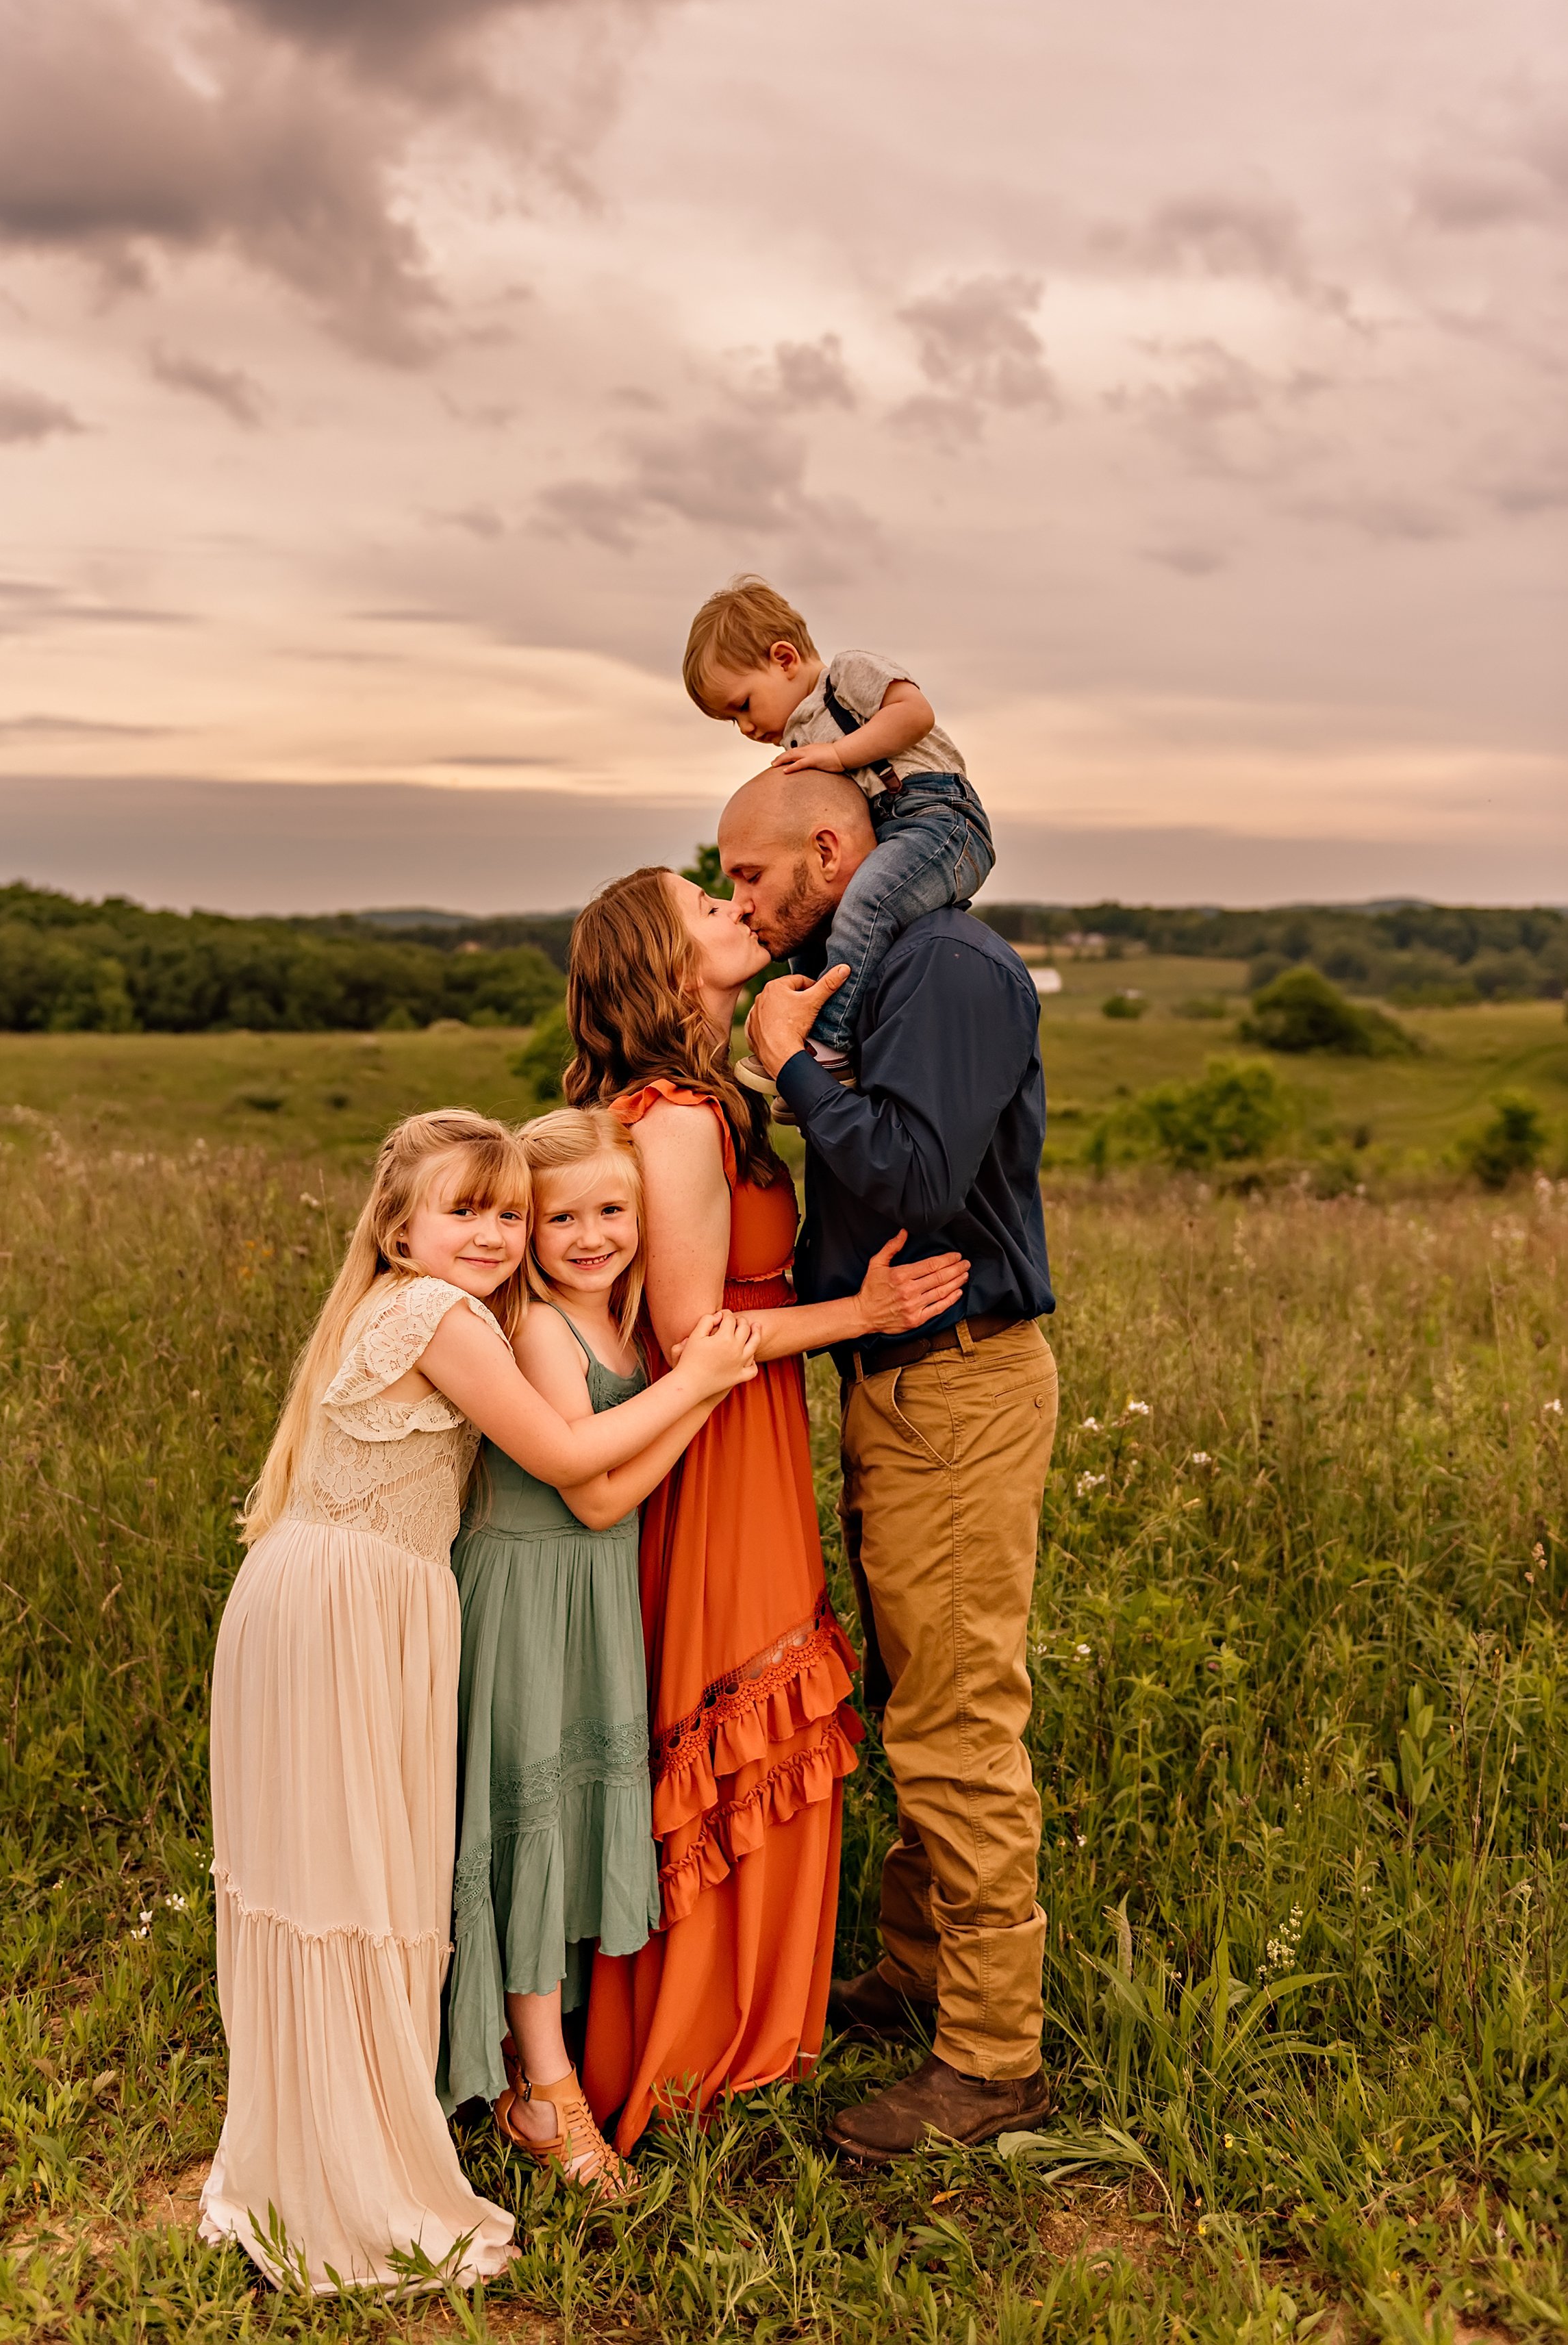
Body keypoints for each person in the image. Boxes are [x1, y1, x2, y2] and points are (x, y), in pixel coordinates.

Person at [200, 1107, 756, 2291]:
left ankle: (340, 2122)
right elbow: (566, 1463)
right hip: (346, 1609)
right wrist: (705, 1376)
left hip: (345, 1594)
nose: (497, 1234)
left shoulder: (428, 1307)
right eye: (466, 1211)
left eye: (510, 1212)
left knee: (349, 1876)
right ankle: (346, 2168)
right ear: (399, 1227)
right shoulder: (436, 1313)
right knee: (350, 1883)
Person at [568, 868, 972, 2155]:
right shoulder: (677, 1117)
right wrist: (860, 1315)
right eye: (704, 904)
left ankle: (734, 2020)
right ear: (660, 963)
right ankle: (704, 2038)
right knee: (738, 1696)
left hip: (743, 1422)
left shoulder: (700, 1097)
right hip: (720, 1426)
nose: (730, 904)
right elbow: (696, 1332)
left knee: (746, 1695)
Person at [723, 767, 1060, 2164]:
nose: (741, 901)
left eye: (747, 876)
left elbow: (920, 1176)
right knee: (918, 1684)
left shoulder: (950, 966)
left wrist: (789, 1068)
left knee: (958, 1714)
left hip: (961, 1379)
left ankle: (989, 2059)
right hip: (904, 1382)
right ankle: (919, 1967)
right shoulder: (872, 968)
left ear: (824, 845)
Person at [448, 1107, 733, 2197]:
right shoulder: (537, 1330)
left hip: (591, 1601)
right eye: (559, 1216)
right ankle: (544, 2095)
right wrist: (697, 1393)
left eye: (612, 1210)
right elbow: (600, 1496)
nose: (588, 1235)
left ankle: (541, 2054)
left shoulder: (622, 1326)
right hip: (527, 1591)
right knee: (530, 1822)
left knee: (565, 1814)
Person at [681, 575, 993, 1092]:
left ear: (783, 658)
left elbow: (915, 713)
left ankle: (828, 1050)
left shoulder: (847, 677)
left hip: (940, 819)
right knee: (803, 925)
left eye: (742, 705)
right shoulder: (800, 734)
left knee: (868, 899)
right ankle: (798, 1032)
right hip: (889, 832)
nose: (746, 728)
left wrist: (839, 754)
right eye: (729, 720)